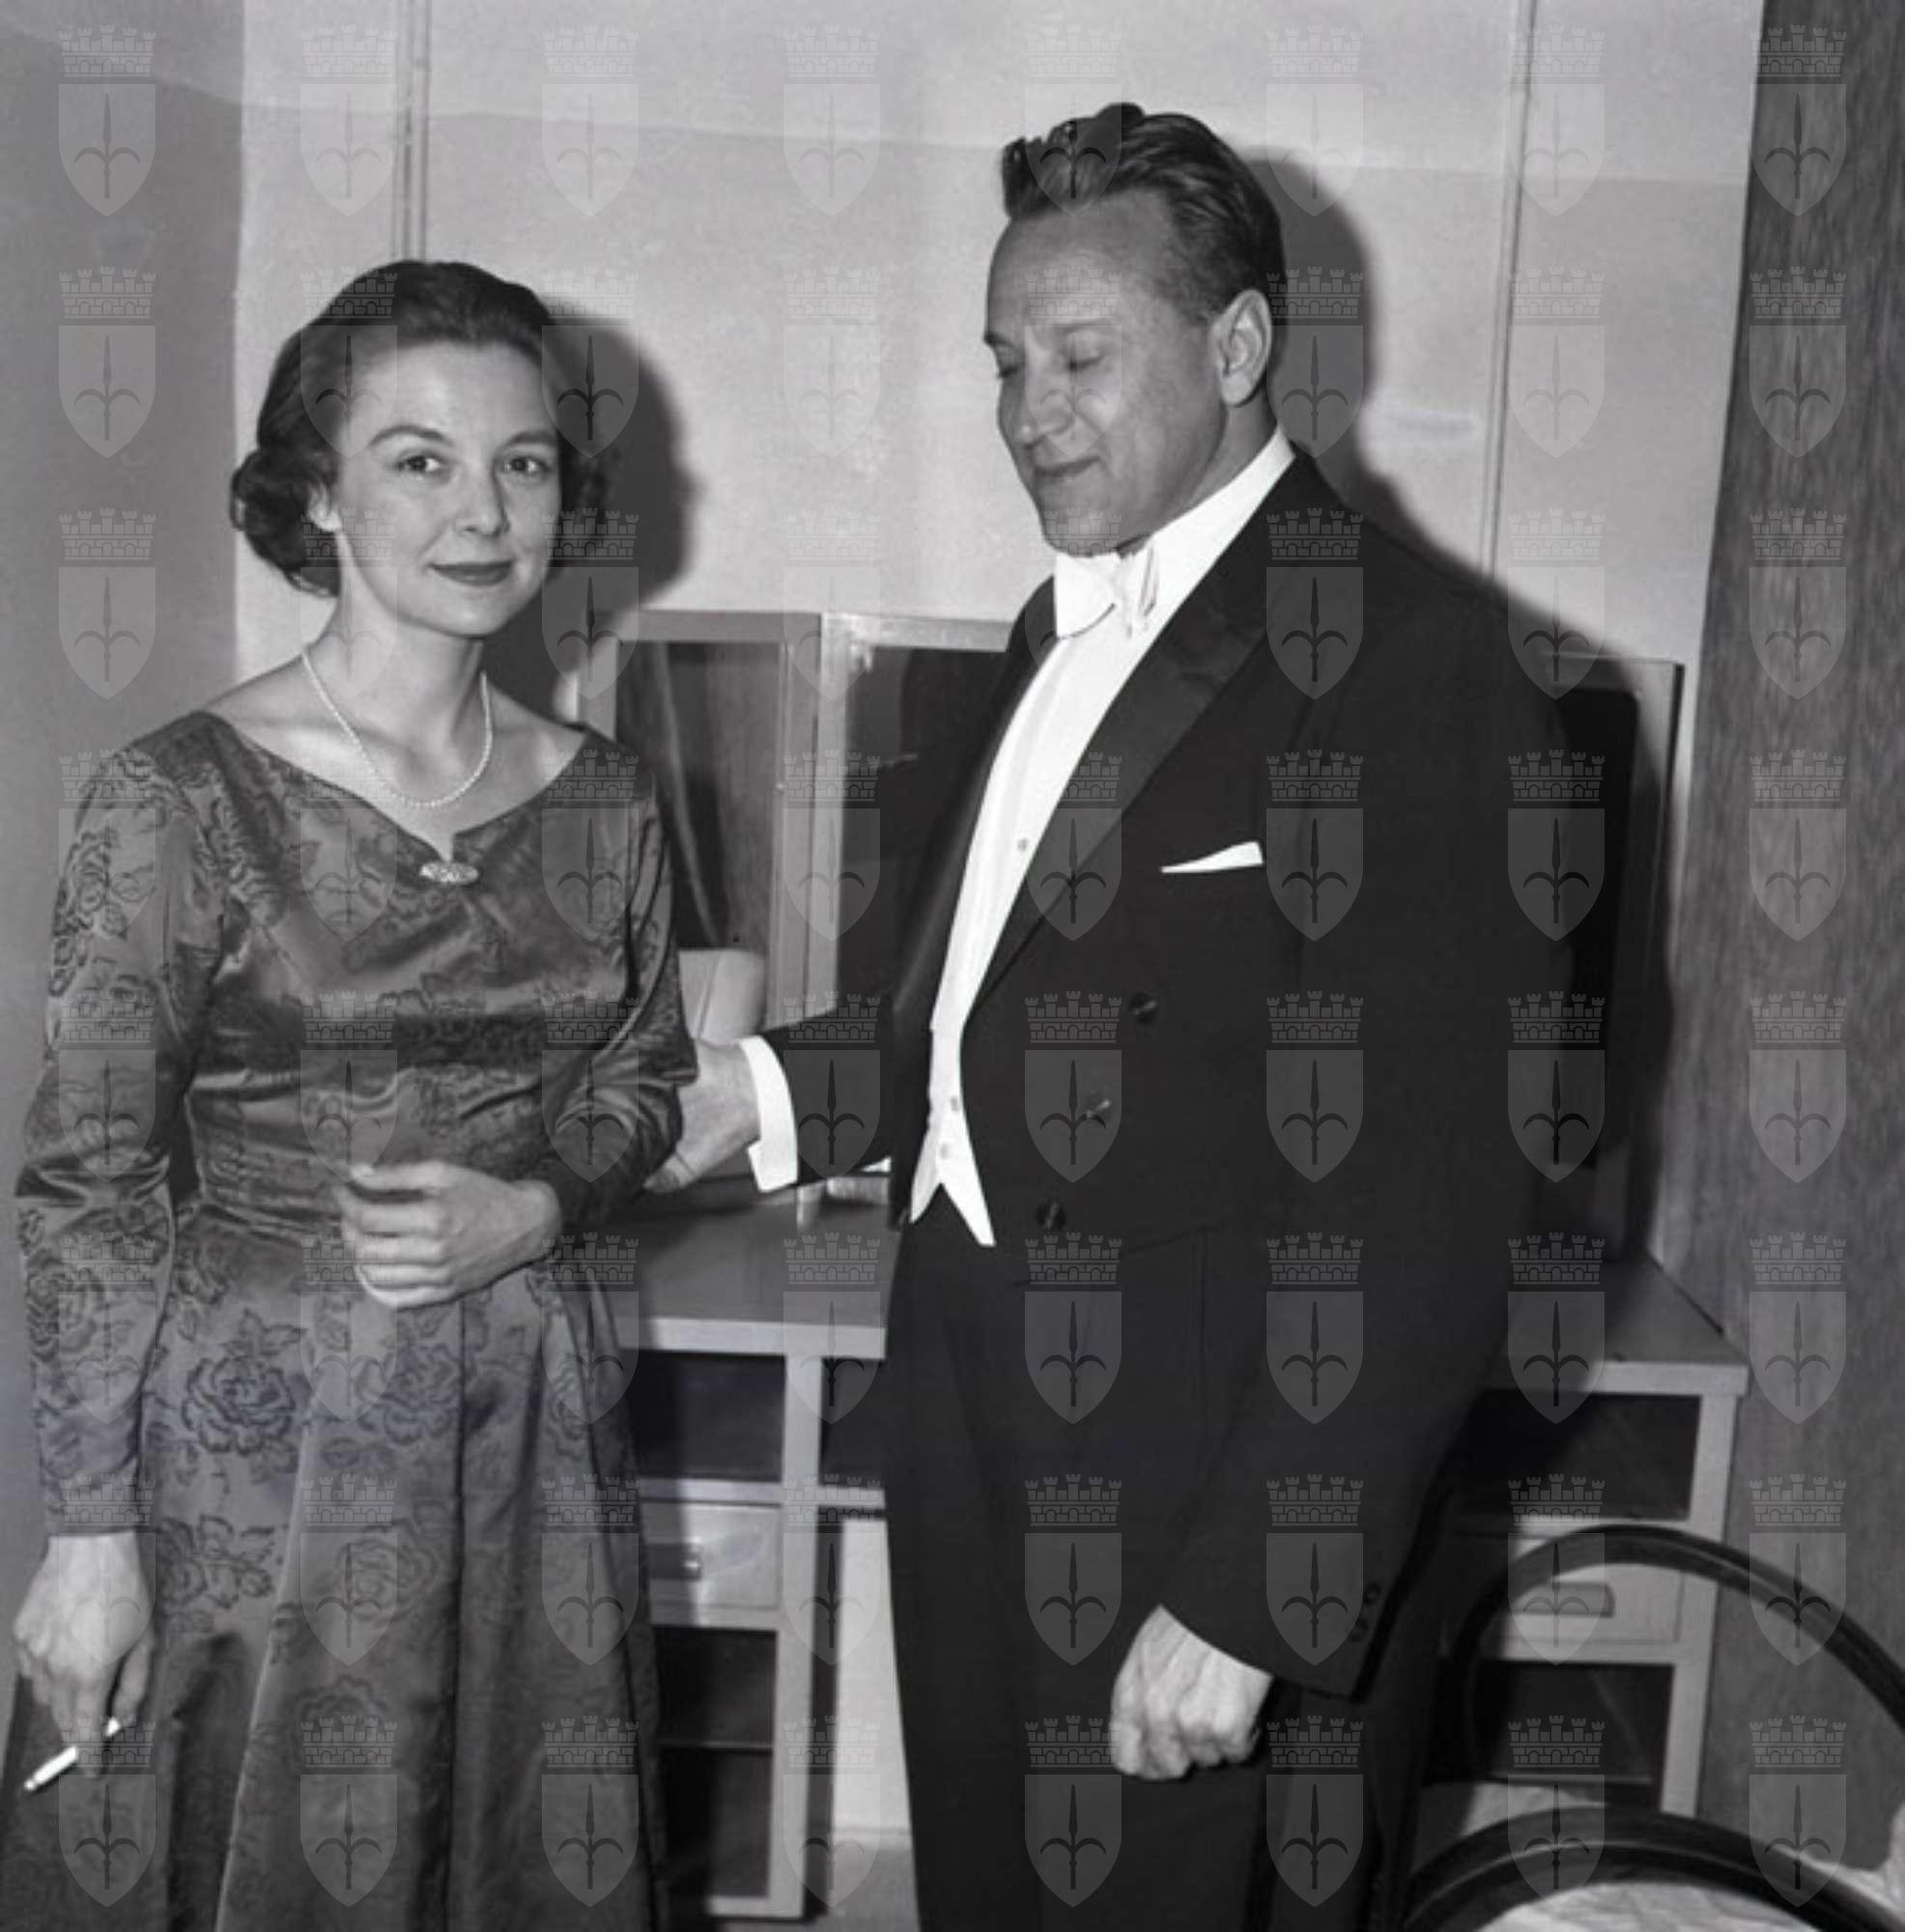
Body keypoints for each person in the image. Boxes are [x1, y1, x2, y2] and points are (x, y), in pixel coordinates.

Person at [658, 107, 1573, 1928]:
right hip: (973, 1405)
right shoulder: (1055, 630)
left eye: (1079, 357)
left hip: (1204, 1464)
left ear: (1238, 349)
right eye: (1006, 363)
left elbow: (1440, 1191)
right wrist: (751, 1094)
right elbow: (984, 1016)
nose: (1027, 412)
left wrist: (1257, 1591)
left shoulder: (1423, 665)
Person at [3, 261, 694, 1924]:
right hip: (255, 1449)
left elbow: (647, 1074)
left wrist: (537, 1204)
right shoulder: (176, 798)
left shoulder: (608, 799)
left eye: (523, 463)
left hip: (527, 1424)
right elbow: (88, 1183)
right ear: (318, 493)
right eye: (419, 460)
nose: (484, 512)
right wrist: (88, 1534)